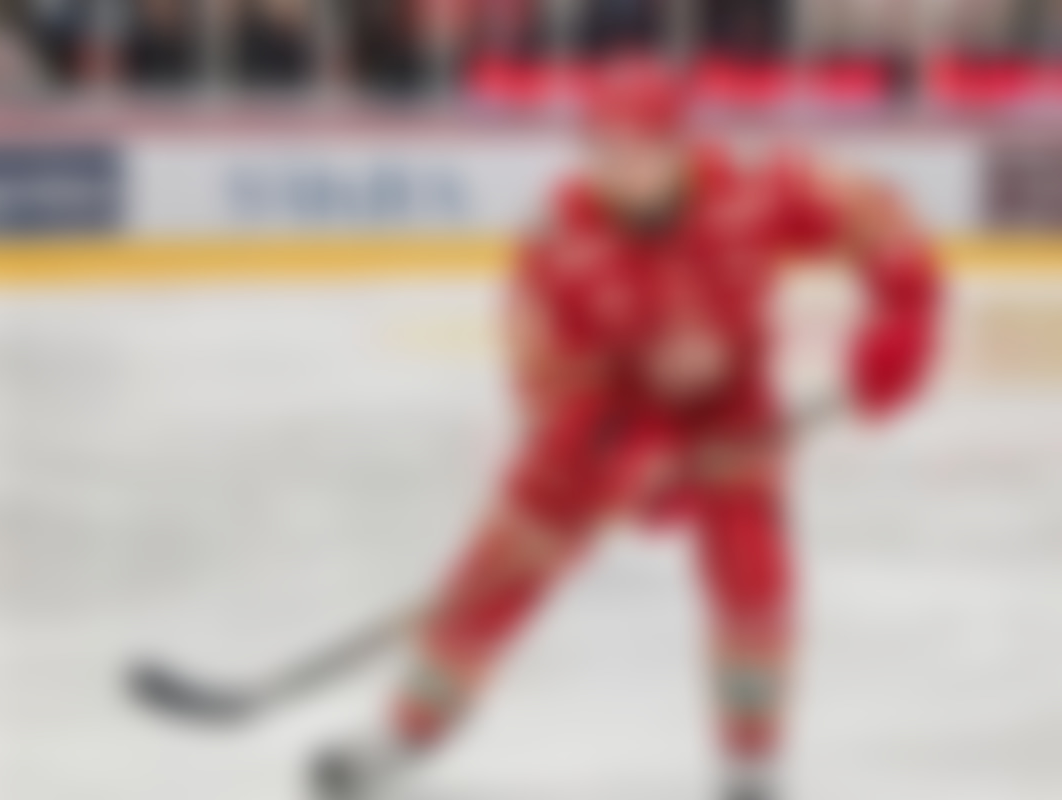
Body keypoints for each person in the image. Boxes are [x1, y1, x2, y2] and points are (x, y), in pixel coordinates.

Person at [311, 56, 942, 800]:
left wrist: (905, 318)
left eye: (636, 149)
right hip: (596, 423)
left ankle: (751, 764)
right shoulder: (558, 241)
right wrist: (632, 458)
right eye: (601, 148)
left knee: (753, 573)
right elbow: (543, 383)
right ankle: (404, 733)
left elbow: (882, 220)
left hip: (732, 414)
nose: (615, 168)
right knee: (494, 573)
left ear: (677, 147)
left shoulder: (754, 189)